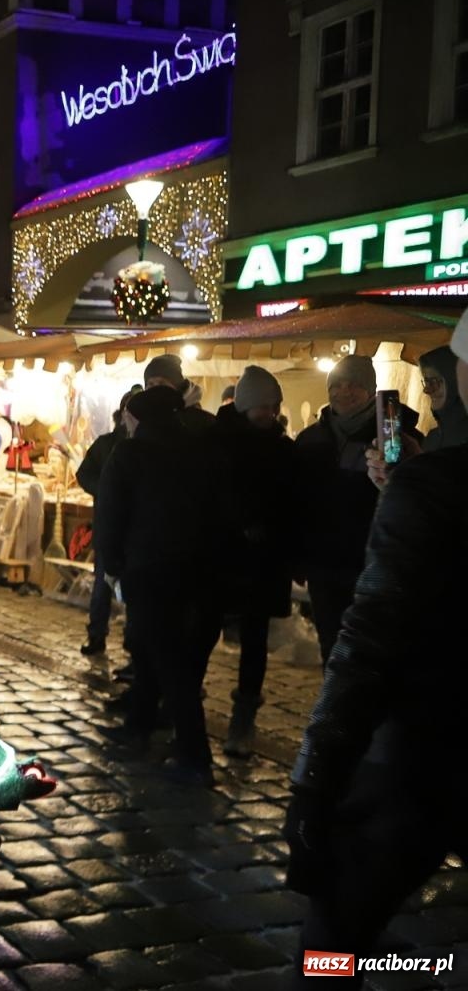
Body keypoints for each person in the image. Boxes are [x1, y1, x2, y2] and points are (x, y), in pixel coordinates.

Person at [285, 313, 468, 963]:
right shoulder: (332, 445)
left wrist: (316, 778)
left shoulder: (429, 476)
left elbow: (370, 643)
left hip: (424, 740)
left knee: (334, 932)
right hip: (341, 572)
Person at [95, 386, 227, 786]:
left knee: (169, 661)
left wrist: (112, 565)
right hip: (198, 570)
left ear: (136, 418)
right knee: (154, 651)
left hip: (148, 569)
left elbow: (110, 512)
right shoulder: (201, 449)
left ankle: (193, 755)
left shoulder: (131, 453)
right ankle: (139, 724)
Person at [294, 355, 419, 664]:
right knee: (331, 645)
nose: (343, 391)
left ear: (371, 390)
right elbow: (296, 501)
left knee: (373, 648)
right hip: (324, 563)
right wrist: (297, 556)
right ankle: (336, 708)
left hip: (373, 560)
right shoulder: (310, 439)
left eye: (354, 385)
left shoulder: (397, 435)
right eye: (336, 385)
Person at [214, 366, 297, 757]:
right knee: (200, 633)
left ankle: (243, 719)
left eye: (273, 405)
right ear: (245, 405)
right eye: (261, 405)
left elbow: (295, 504)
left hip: (264, 563)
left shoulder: (284, 448)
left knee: (254, 644)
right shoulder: (218, 443)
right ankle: (181, 707)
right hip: (220, 558)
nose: (268, 412)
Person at [74, 387, 136, 657]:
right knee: (102, 586)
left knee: (134, 592)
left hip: (136, 531)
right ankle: (96, 635)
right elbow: (84, 473)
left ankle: (133, 645)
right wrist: (104, 490)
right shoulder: (106, 444)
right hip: (108, 526)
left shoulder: (145, 446)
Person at [418, 345, 468, 452]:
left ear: (455, 381)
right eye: (426, 382)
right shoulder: (431, 439)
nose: (427, 390)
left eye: (434, 381)